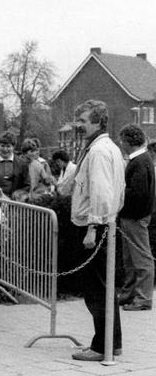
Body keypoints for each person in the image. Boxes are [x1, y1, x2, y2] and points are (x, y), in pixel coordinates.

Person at [69, 100, 125, 361]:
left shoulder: (99, 151)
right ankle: (113, 342)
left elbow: (101, 191)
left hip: (97, 226)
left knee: (97, 290)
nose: (78, 125)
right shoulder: (105, 147)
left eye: (83, 121)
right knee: (105, 287)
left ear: (98, 122)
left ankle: (101, 346)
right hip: (106, 223)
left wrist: (93, 227)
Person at [117, 123, 155, 311]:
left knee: (140, 258)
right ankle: (130, 294)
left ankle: (143, 298)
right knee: (131, 258)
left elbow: (137, 193)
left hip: (134, 217)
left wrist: (119, 195)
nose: (121, 144)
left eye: (122, 141)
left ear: (127, 141)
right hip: (136, 216)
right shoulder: (143, 159)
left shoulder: (138, 162)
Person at [0, 132, 30, 199]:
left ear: (13, 147)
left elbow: (27, 185)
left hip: (15, 202)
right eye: (2, 146)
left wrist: (19, 193)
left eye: (8, 146)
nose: (5, 149)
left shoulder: (22, 164)